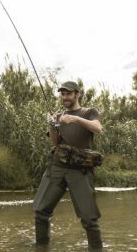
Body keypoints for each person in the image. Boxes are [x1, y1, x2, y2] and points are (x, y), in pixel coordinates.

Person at [33, 81, 104, 251]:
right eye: (62, 94)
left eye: (68, 94)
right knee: (40, 211)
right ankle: (41, 247)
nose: (65, 97)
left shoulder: (89, 112)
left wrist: (76, 119)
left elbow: (98, 128)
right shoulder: (58, 116)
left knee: (89, 219)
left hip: (80, 171)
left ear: (77, 94)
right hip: (56, 167)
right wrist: (52, 125)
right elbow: (55, 141)